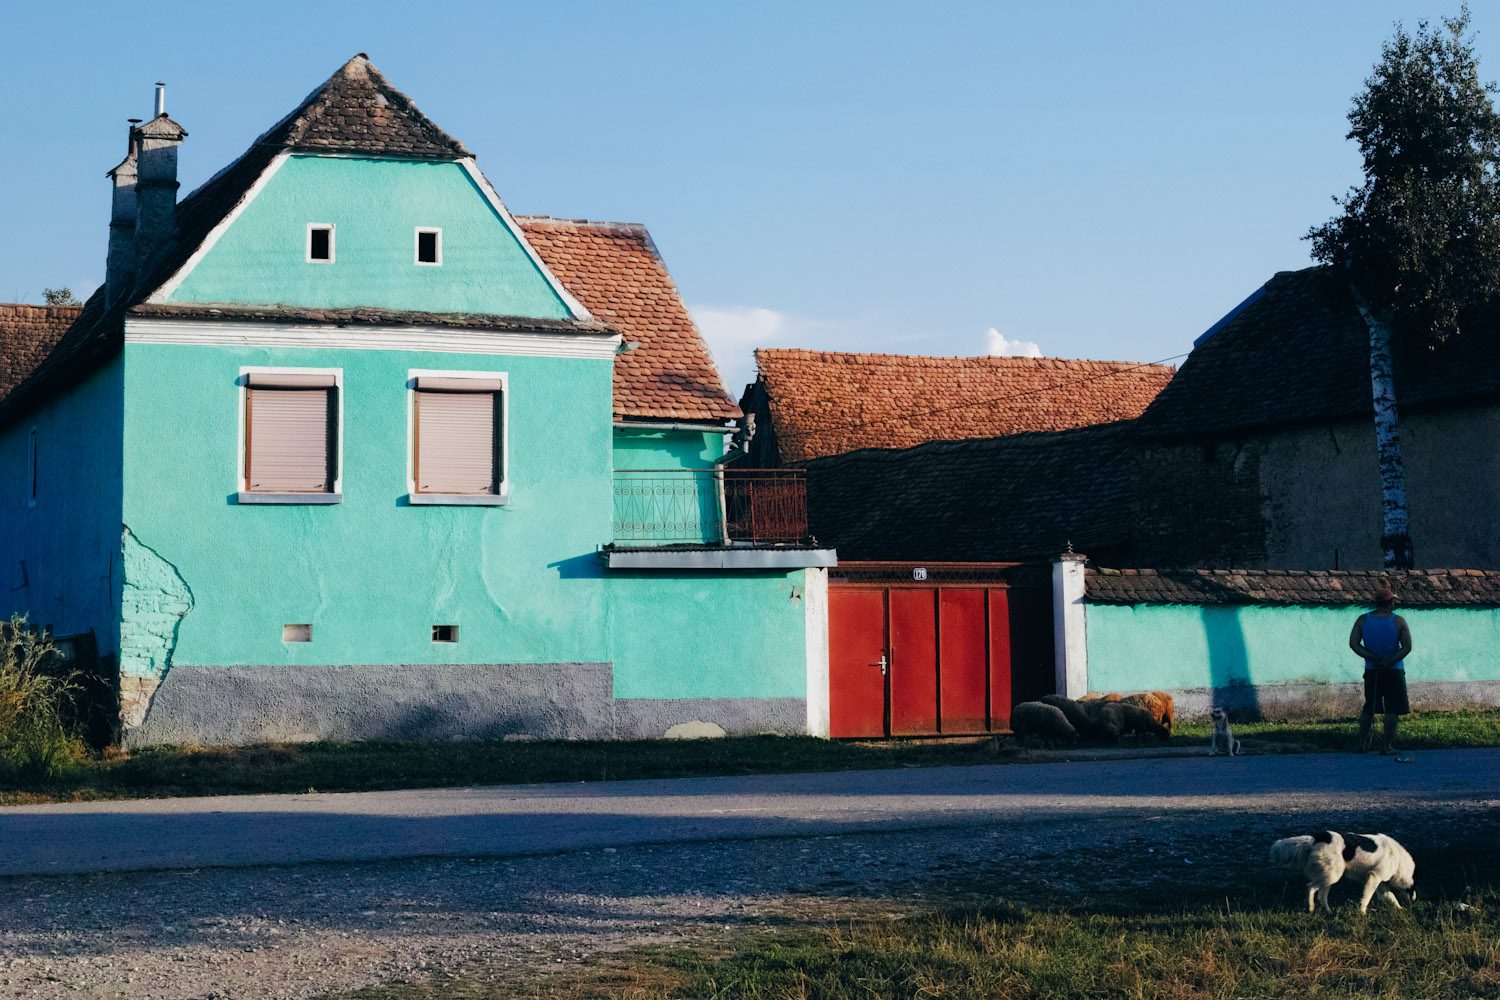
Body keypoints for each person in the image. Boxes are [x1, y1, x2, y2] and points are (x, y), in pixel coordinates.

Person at [1349, 586, 1413, 754]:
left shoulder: (1362, 620)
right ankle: (1386, 746)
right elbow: (1407, 646)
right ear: (1391, 603)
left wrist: (1374, 659)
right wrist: (1388, 661)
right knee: (1392, 709)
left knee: (1369, 707)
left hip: (1372, 670)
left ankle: (1361, 744)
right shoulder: (1399, 621)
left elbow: (1354, 644)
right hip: (1394, 670)